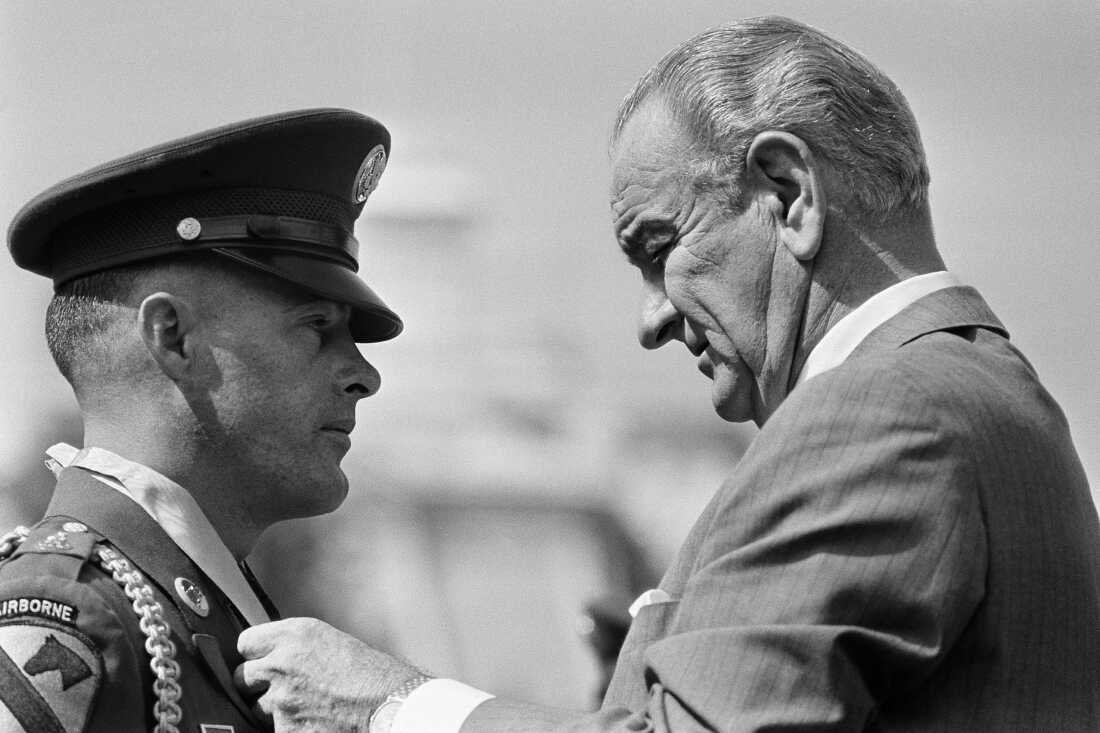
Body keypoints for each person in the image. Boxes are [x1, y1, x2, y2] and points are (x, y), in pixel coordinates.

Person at [234, 16, 1100, 733]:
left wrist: (392, 704)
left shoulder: (881, 411)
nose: (651, 319)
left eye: (660, 247)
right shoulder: (994, 394)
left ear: (789, 192)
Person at [0, 108, 402, 731]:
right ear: (174, 338)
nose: (363, 375)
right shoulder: (67, 615)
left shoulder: (196, 612)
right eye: (316, 328)